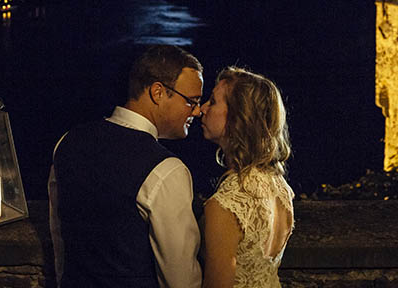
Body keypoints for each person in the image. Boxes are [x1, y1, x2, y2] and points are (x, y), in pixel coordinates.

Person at [48, 44, 204, 288]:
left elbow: (60, 240)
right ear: (158, 93)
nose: (197, 111)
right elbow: (181, 280)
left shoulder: (66, 142)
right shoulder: (166, 169)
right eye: (191, 101)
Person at [198, 67, 294, 288]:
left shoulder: (226, 203)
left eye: (212, 102)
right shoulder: (281, 188)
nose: (202, 109)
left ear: (237, 116)